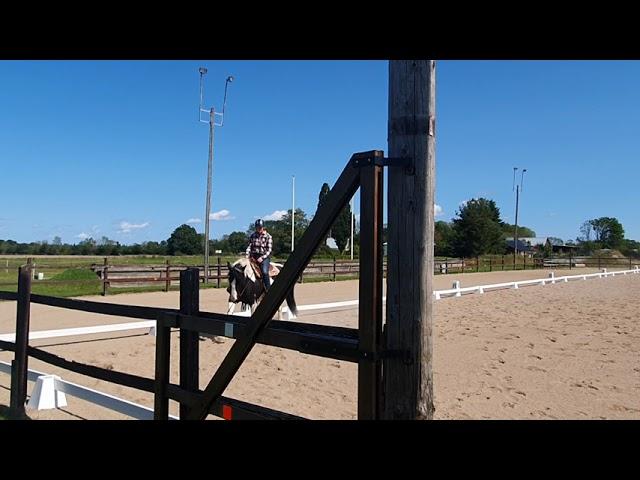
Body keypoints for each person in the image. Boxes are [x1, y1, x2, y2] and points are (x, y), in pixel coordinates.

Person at [245, 219, 273, 290]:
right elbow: (249, 246)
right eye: (257, 227)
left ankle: (268, 289)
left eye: (260, 227)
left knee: (264, 272)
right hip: (253, 256)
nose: (258, 229)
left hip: (264, 257)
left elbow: (269, 250)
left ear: (263, 227)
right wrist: (247, 255)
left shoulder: (268, 236)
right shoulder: (253, 235)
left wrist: (262, 258)